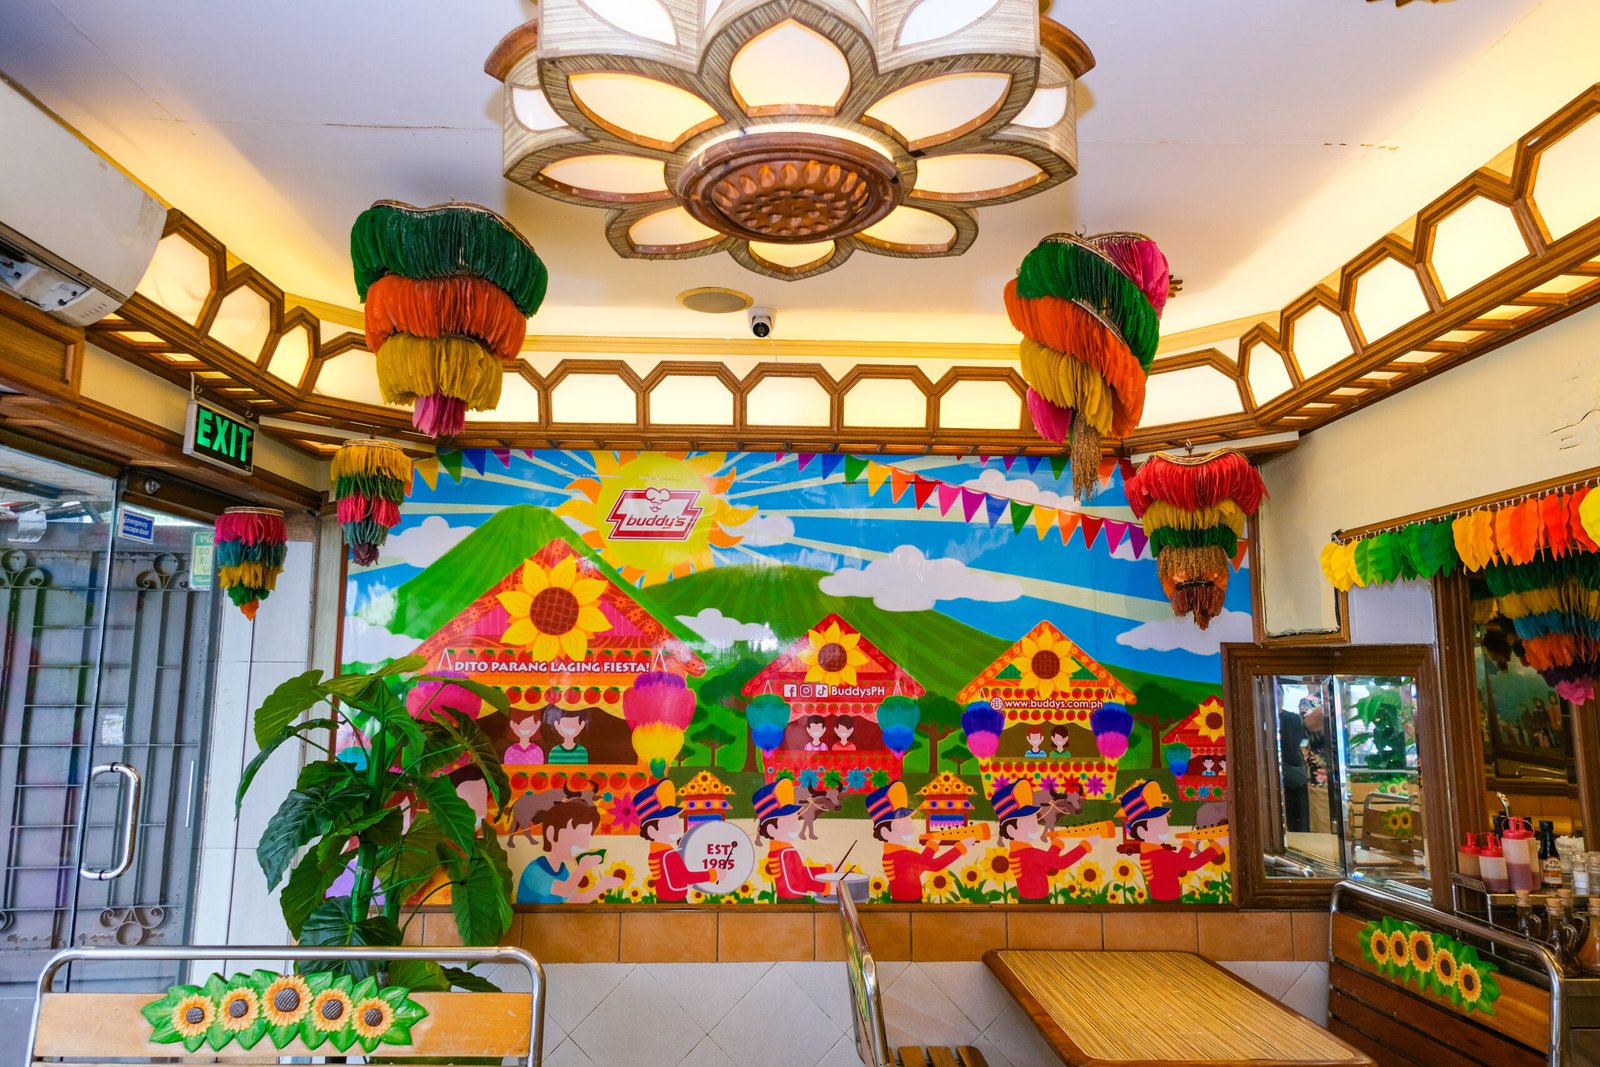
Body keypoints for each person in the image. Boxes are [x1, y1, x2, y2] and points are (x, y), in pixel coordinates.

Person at [1116, 780, 1226, 903]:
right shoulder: (1160, 855)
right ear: (1141, 831)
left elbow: (1176, 865)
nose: (1166, 828)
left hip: (1160, 900)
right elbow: (1191, 864)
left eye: (1165, 822)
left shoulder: (1148, 853)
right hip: (1169, 902)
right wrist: (1216, 847)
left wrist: (1189, 844)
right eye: (1159, 824)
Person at [868, 781, 964, 903]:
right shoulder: (902, 856)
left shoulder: (891, 854)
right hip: (909, 906)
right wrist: (961, 847)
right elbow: (935, 865)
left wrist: (932, 845)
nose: (910, 826)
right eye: (902, 822)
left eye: (909, 820)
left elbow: (918, 868)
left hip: (904, 905)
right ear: (885, 832)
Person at [995, 780, 1087, 902]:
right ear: (1011, 830)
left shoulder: (1017, 852)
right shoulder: (1030, 854)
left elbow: (1043, 868)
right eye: (1028, 823)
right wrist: (1086, 846)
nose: (1035, 828)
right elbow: (1062, 863)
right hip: (1037, 901)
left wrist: (1056, 846)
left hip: (1029, 900)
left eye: (1034, 821)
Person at [516, 795, 619, 904]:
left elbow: (575, 899)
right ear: (551, 833)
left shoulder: (564, 872)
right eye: (577, 836)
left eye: (586, 838)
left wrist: (601, 886)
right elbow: (564, 890)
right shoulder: (534, 870)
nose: (584, 845)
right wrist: (583, 867)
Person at [635, 780, 714, 903]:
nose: (677, 827)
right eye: (670, 823)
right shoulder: (669, 855)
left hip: (662, 899)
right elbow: (685, 877)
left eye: (676, 821)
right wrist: (712, 875)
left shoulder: (655, 853)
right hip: (676, 902)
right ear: (652, 831)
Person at [755, 779, 833, 900]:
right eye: (789, 822)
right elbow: (797, 882)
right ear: (771, 829)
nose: (796, 826)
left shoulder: (782, 850)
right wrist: (824, 887)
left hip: (792, 897)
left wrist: (825, 870)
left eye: (795, 820)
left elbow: (800, 872)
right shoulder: (785, 854)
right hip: (793, 900)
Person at [1279, 702, 1310, 833]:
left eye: (1280, 695)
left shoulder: (1292, 718)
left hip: (1291, 768)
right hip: (1273, 771)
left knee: (1296, 811)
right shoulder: (1260, 716)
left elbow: (1294, 742)